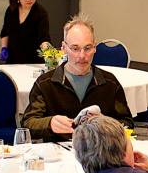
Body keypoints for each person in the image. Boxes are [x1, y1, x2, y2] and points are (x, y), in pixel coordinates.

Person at [22, 14, 132, 142]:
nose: (82, 56)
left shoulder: (110, 83)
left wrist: (105, 123)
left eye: (87, 48)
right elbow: (28, 123)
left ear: (95, 48)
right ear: (64, 48)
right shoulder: (45, 83)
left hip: (99, 150)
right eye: (75, 48)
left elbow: (128, 123)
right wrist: (50, 123)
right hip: (58, 149)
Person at [0, 0, 51, 64]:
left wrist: (49, 55)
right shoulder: (11, 10)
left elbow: (44, 39)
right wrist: (4, 48)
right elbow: (5, 32)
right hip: (12, 61)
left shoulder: (41, 13)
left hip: (33, 62)